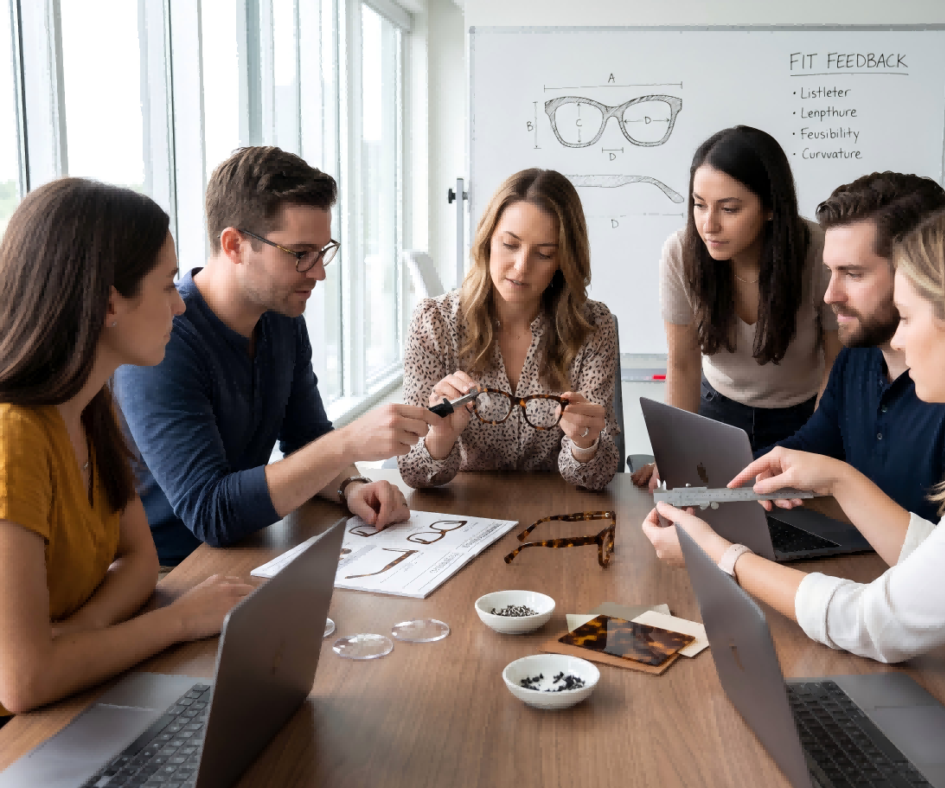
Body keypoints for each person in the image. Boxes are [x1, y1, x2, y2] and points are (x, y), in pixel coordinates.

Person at [644, 200, 945, 693]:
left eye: (907, 318)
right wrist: (838, 478)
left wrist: (719, 555)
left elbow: (876, 624)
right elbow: (941, 567)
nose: (900, 342)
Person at [0, 179, 254, 719]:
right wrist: (179, 620)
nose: (179, 307)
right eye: (166, 286)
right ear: (109, 303)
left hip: (73, 694)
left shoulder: (91, 405)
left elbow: (140, 561)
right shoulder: (13, 436)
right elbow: (23, 682)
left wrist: (81, 632)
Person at [115, 147, 442, 566]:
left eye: (322, 251)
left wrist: (351, 487)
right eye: (300, 254)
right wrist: (348, 443)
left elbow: (307, 438)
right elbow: (211, 513)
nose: (318, 271)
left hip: (251, 546)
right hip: (171, 570)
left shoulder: (280, 317)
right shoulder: (164, 340)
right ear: (235, 245)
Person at [632, 125, 840, 489]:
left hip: (803, 416)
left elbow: (836, 365)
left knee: (794, 515)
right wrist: (672, 453)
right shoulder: (681, 253)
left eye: (729, 209)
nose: (708, 225)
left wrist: (817, 444)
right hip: (716, 411)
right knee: (705, 511)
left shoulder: (818, 252)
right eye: (699, 205)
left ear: (770, 207)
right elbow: (682, 362)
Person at [398, 168, 619, 490]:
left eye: (544, 254)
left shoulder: (593, 326)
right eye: (510, 244)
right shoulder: (434, 322)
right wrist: (440, 436)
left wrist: (584, 444)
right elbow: (413, 471)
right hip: (465, 506)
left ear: (563, 260)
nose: (521, 267)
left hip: (557, 506)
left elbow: (597, 476)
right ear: (488, 240)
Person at [769, 172, 945, 521]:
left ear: (916, 274)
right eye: (830, 272)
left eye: (853, 274)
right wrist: (720, 478)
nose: (830, 295)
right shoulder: (856, 357)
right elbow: (810, 448)